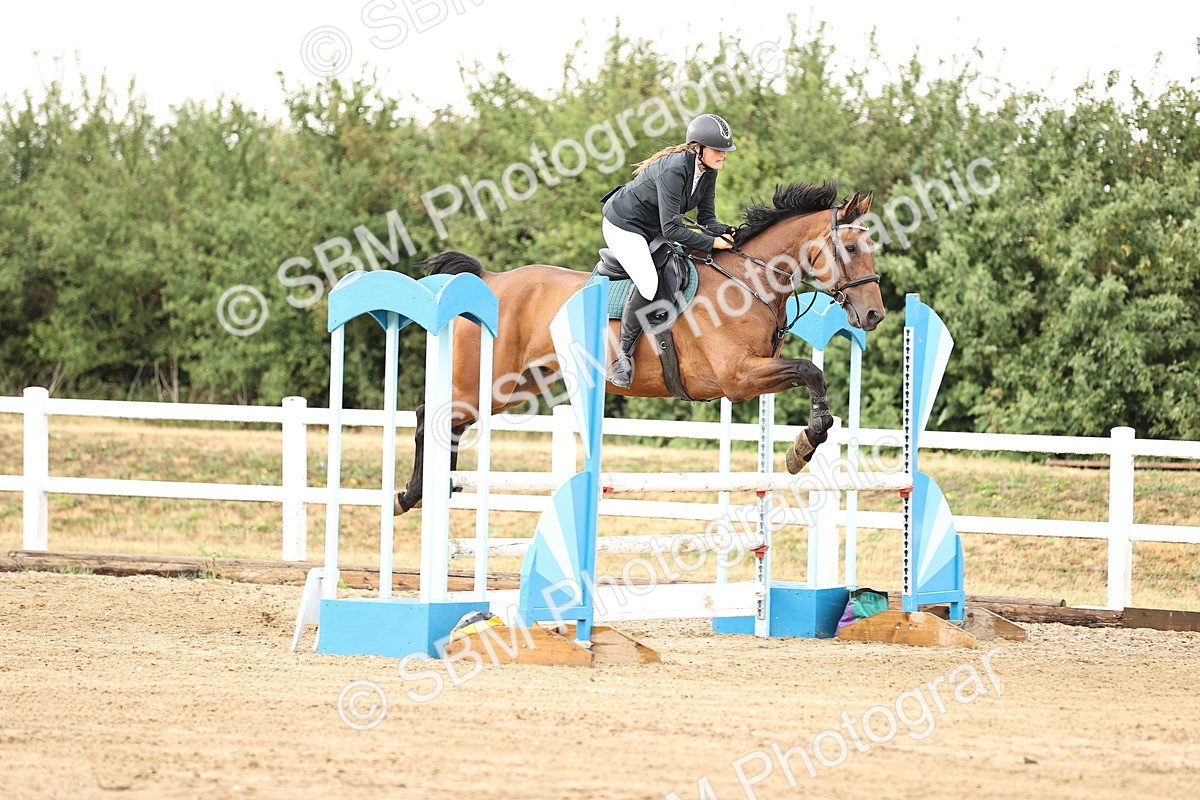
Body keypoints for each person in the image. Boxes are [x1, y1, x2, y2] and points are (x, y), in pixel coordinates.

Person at [600, 113, 739, 388]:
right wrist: (711, 243)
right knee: (649, 282)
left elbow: (707, 219)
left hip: (652, 227)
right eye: (717, 149)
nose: (723, 154)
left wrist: (729, 231)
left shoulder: (708, 172)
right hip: (624, 225)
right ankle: (622, 358)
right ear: (698, 148)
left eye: (725, 150)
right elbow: (672, 229)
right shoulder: (675, 169)